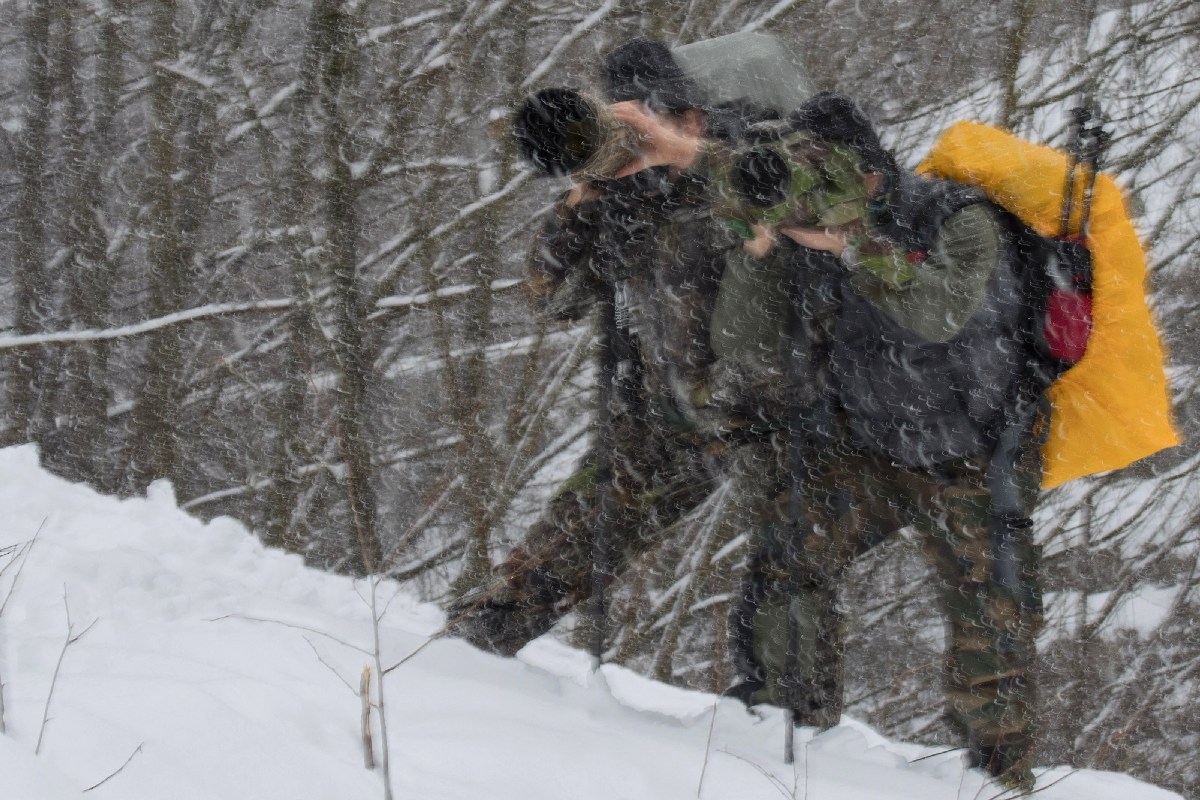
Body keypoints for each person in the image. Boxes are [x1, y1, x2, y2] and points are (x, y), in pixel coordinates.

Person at [612, 95, 1045, 790]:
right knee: (788, 560)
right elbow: (740, 341)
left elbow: (937, 313)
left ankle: (998, 780)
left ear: (871, 171)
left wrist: (851, 244)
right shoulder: (802, 221)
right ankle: (791, 738)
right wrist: (758, 246)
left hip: (972, 450)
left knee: (991, 622)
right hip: (873, 443)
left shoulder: (958, 218)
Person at [447, 38, 738, 657]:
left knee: (796, 566)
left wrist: (689, 159)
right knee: (581, 530)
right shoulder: (623, 202)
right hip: (660, 414)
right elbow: (549, 296)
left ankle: (784, 727)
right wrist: (585, 196)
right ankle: (470, 646)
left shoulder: (739, 175)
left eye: (664, 118)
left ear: (693, 117)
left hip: (747, 410)